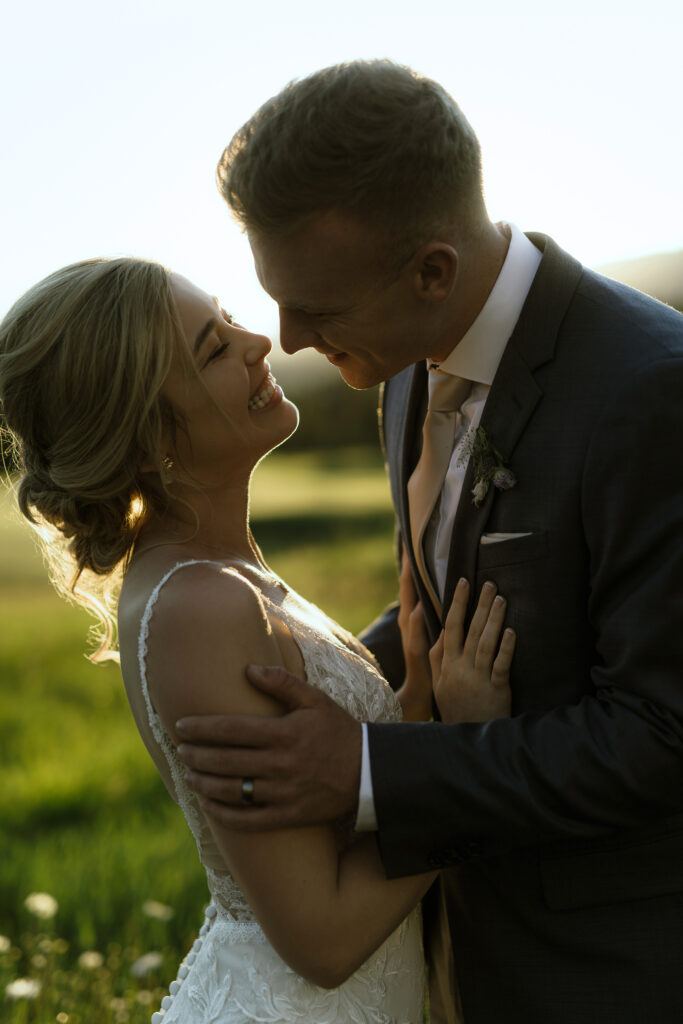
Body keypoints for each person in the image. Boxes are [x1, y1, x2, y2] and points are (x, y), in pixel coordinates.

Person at [174, 60, 683, 1023]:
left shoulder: (652, 395)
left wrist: (366, 769)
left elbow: (660, 734)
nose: (282, 339)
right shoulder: (404, 362)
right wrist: (294, 674)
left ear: (432, 271)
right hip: (450, 956)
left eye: (316, 310)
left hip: (605, 972)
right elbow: (449, 599)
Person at [0, 256, 515, 1023]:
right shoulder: (199, 608)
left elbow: (331, 812)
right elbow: (321, 938)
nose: (258, 345)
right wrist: (468, 752)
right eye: (213, 348)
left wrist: (412, 700)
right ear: (143, 438)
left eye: (229, 318)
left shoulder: (223, 572)